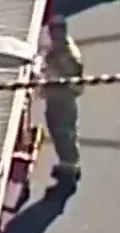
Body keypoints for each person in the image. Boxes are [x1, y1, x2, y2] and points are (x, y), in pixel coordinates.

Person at [42, 15, 84, 185]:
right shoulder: (58, 48)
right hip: (55, 98)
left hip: (63, 100)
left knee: (65, 134)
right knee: (57, 131)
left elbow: (71, 77)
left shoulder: (68, 54)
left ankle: (71, 169)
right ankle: (66, 164)